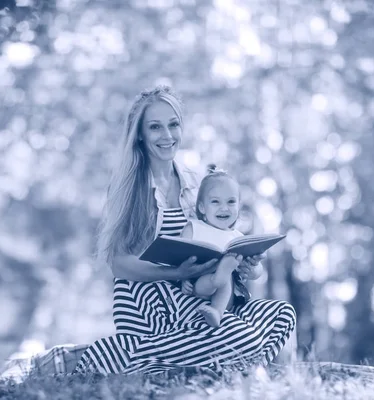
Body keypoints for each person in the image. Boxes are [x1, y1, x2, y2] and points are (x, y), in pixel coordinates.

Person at [18, 85, 296, 377]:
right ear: (140, 134)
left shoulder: (194, 182)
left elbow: (218, 237)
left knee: (282, 313)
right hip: (154, 304)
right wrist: (177, 274)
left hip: (200, 298)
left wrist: (242, 260)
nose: (167, 136)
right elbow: (119, 264)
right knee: (245, 338)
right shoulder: (130, 186)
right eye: (155, 127)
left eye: (173, 124)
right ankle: (109, 356)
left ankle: (207, 365)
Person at [179, 165, 261, 328]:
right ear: (202, 207)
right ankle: (218, 279)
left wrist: (253, 270)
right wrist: (183, 280)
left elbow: (258, 271)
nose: (224, 208)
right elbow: (180, 258)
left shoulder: (238, 238)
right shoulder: (193, 228)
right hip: (200, 284)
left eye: (231, 202)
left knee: (226, 276)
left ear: (238, 206)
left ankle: (216, 311)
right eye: (215, 202)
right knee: (211, 278)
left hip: (227, 295)